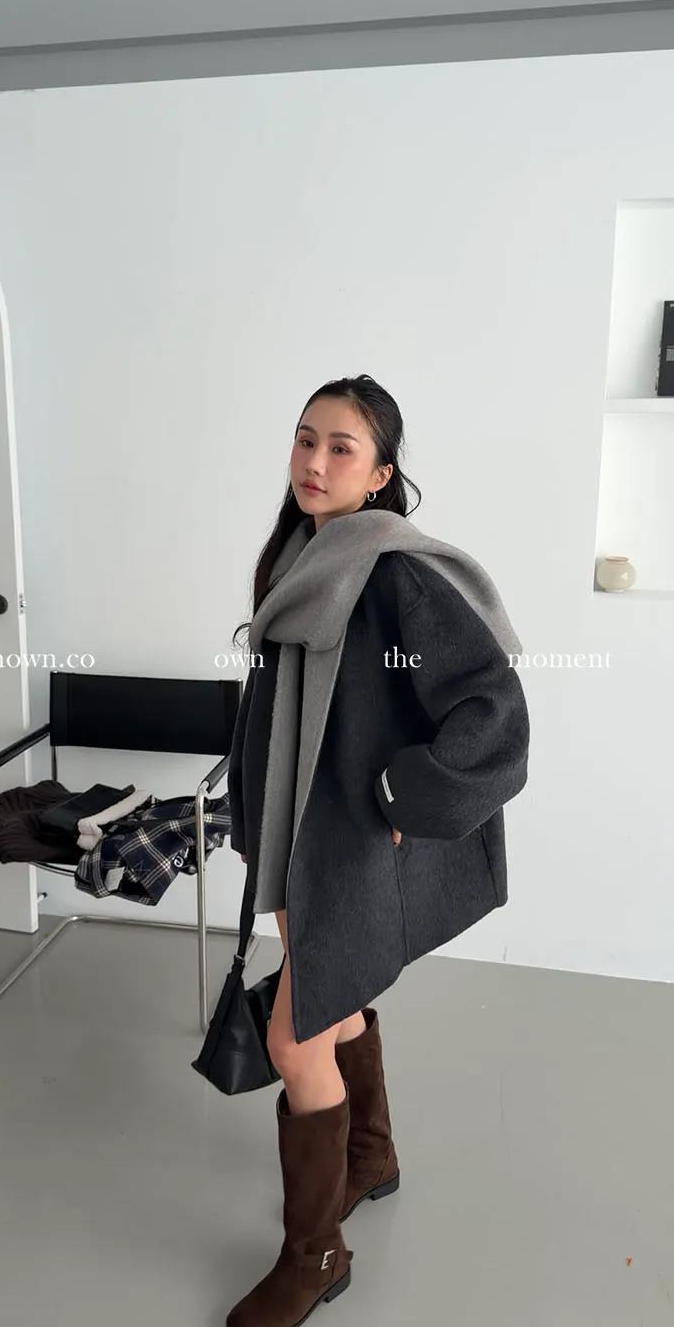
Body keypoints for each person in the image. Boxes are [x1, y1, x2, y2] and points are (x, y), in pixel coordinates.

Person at [224, 374, 531, 1327]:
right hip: (297, 833)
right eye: (304, 438)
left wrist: (409, 792)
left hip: (348, 839)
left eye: (341, 447)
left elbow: (492, 705)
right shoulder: (302, 554)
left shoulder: (395, 571)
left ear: (382, 472)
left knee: (293, 1036)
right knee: (338, 995)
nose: (314, 461)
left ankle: (315, 1255)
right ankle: (371, 1154)